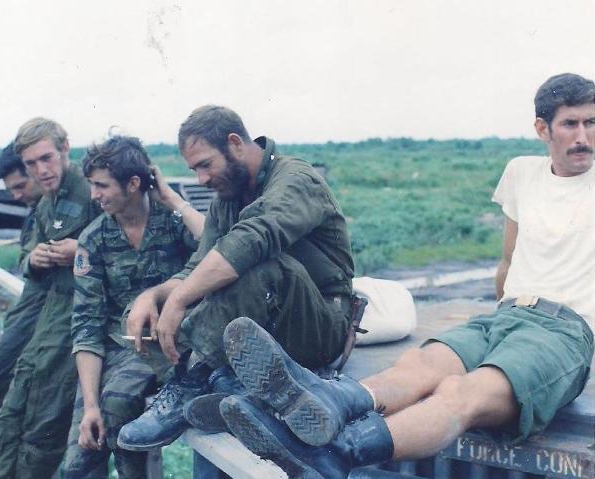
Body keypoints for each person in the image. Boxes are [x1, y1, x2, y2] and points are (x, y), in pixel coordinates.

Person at [218, 72, 595, 478]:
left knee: (459, 392)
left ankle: (335, 456)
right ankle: (328, 402)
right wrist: (501, 321)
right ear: (542, 129)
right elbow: (508, 259)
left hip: (564, 331)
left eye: (591, 122)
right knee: (419, 364)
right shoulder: (521, 173)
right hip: (505, 316)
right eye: (570, 124)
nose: (583, 136)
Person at [118, 105, 356, 451]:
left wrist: (181, 300)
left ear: (235, 144)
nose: (202, 179)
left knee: (257, 266)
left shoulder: (296, 179)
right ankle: (222, 382)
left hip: (317, 323)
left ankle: (193, 377)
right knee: (142, 315)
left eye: (205, 165)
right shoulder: (227, 198)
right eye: (194, 170)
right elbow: (198, 267)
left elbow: (252, 241)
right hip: (262, 325)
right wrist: (154, 297)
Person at [62, 136, 203, 478]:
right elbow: (87, 324)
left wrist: (172, 199)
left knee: (117, 407)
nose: (93, 195)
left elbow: (219, 248)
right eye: (92, 185)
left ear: (134, 183)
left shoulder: (172, 221)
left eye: (102, 185)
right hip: (115, 349)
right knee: (78, 462)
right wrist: (89, 405)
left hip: (168, 344)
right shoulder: (94, 239)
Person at [0, 118, 101, 478]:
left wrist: (82, 250)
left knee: (42, 424)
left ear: (65, 149)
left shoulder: (94, 190)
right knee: (9, 415)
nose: (41, 170)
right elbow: (30, 257)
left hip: (82, 317)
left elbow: (132, 247)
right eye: (31, 163)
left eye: (46, 158)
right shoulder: (48, 204)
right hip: (51, 314)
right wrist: (35, 259)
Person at [0, 142, 45, 449]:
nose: (15, 195)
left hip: (45, 313)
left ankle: (1, 461)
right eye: (10, 189)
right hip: (29, 309)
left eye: (19, 186)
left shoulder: (69, 206)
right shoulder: (38, 212)